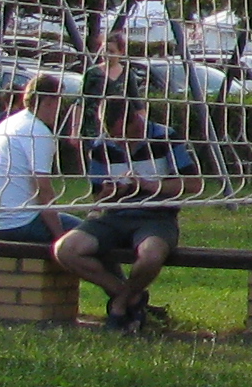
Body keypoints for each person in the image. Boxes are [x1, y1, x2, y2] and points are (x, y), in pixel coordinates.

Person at [54, 53, 199, 329]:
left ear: (137, 121)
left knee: (151, 255)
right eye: (114, 136)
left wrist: (150, 185)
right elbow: (98, 196)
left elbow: (194, 184)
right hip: (115, 215)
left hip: (156, 216)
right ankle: (128, 296)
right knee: (66, 250)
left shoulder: (165, 137)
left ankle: (120, 305)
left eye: (124, 134)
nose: (119, 141)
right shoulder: (102, 146)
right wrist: (114, 191)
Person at [0, 72, 71, 245]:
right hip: (19, 222)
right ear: (49, 101)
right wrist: (60, 237)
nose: (61, 109)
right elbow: (43, 190)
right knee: (89, 234)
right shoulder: (38, 132)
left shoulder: (9, 123)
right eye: (60, 101)